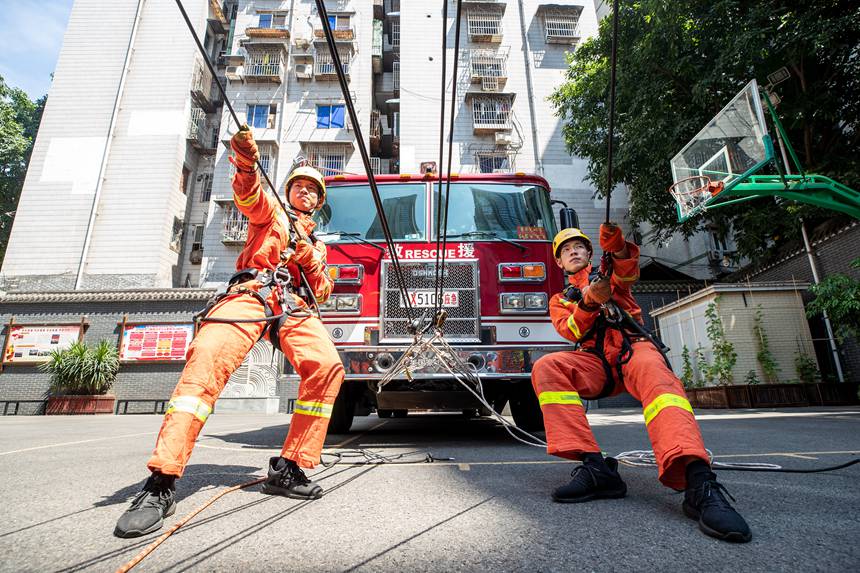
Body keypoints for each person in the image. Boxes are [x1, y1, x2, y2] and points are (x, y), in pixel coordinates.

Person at [114, 126, 344, 538]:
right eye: (300, 186)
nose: (306, 192)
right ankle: (161, 483)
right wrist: (244, 162)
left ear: (320, 201)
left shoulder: (322, 246)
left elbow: (323, 291)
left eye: (313, 190)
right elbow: (249, 197)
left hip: (294, 305)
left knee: (327, 367)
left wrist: (309, 258)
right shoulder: (273, 213)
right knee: (206, 363)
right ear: (289, 191)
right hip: (254, 290)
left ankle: (290, 467)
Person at [531, 224, 752, 543]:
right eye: (566, 250)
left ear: (590, 253)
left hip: (632, 347)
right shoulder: (560, 300)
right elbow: (571, 331)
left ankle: (698, 481)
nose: (574, 251)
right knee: (547, 367)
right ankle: (596, 468)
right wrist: (590, 302)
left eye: (579, 246)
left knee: (662, 386)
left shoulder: (606, 272)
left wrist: (618, 247)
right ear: (560, 264)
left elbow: (625, 270)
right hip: (594, 361)